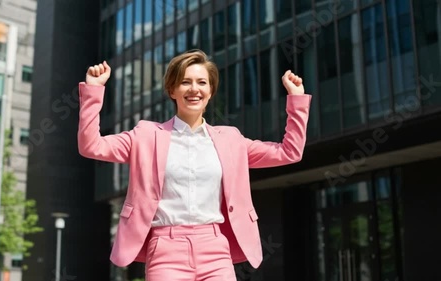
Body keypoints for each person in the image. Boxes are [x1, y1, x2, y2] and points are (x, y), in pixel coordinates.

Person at [78, 49, 311, 280]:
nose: (194, 89)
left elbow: (289, 152)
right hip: (165, 250)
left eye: (202, 82)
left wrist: (296, 100)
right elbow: (91, 146)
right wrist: (94, 90)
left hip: (215, 249)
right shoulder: (145, 135)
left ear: (210, 91)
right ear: (172, 90)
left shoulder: (231, 139)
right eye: (185, 82)